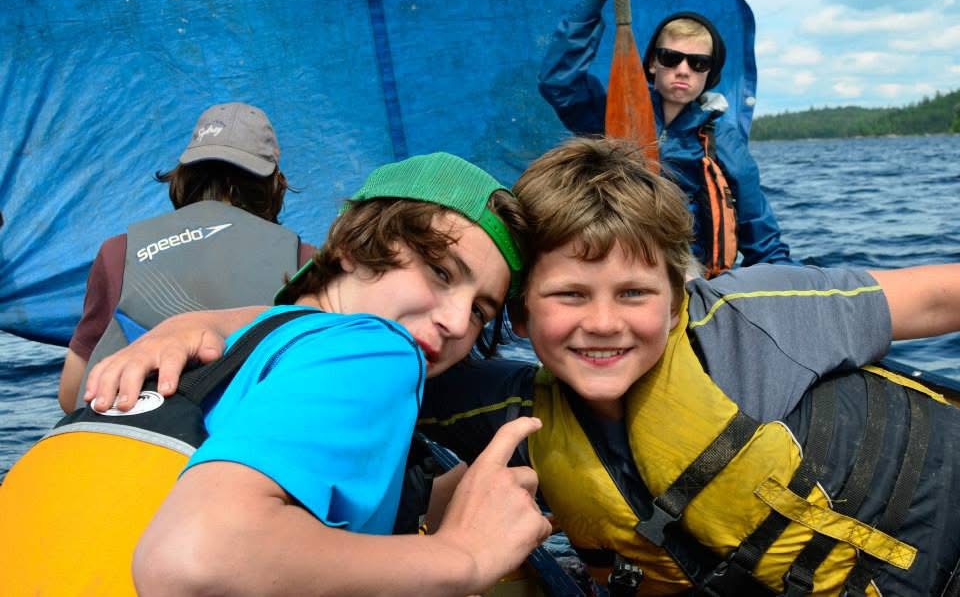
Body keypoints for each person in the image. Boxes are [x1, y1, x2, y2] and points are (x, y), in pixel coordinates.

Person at [100, 138, 960, 594]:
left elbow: (931, 300)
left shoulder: (750, 324)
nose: (603, 325)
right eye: (567, 295)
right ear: (518, 319)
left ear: (681, 290)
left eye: (635, 293)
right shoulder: (495, 405)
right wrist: (199, 325)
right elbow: (340, 325)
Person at [0, 152, 551, 596]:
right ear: (358, 249)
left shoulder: (228, 343)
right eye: (439, 271)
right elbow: (196, 559)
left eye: (481, 309)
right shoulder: (378, 349)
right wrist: (462, 555)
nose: (457, 322)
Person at [58, 101, 316, 413]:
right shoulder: (306, 262)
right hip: (235, 446)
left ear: (183, 175)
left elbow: (70, 392)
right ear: (275, 183)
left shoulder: (118, 252)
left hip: (122, 434)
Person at [538, 0, 794, 275]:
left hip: (684, 273)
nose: (683, 70)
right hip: (610, 256)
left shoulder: (723, 142)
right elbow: (558, 81)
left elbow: (762, 239)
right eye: (671, 58)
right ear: (652, 66)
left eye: (698, 63)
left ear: (708, 75)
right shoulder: (610, 116)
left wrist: (792, 291)